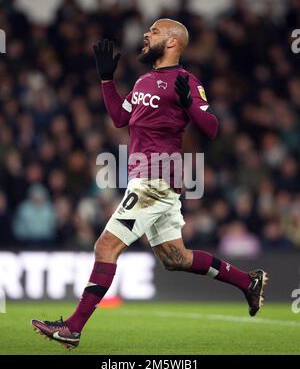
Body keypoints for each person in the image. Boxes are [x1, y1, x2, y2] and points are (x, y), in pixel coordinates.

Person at [32, 19, 268, 349]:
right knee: (176, 258)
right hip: (151, 180)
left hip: (155, 180)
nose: (146, 34)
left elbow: (212, 127)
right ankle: (248, 281)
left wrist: (189, 104)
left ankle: (73, 327)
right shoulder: (144, 80)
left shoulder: (186, 81)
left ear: (173, 42)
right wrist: (106, 80)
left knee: (105, 247)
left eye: (154, 32)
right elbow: (119, 117)